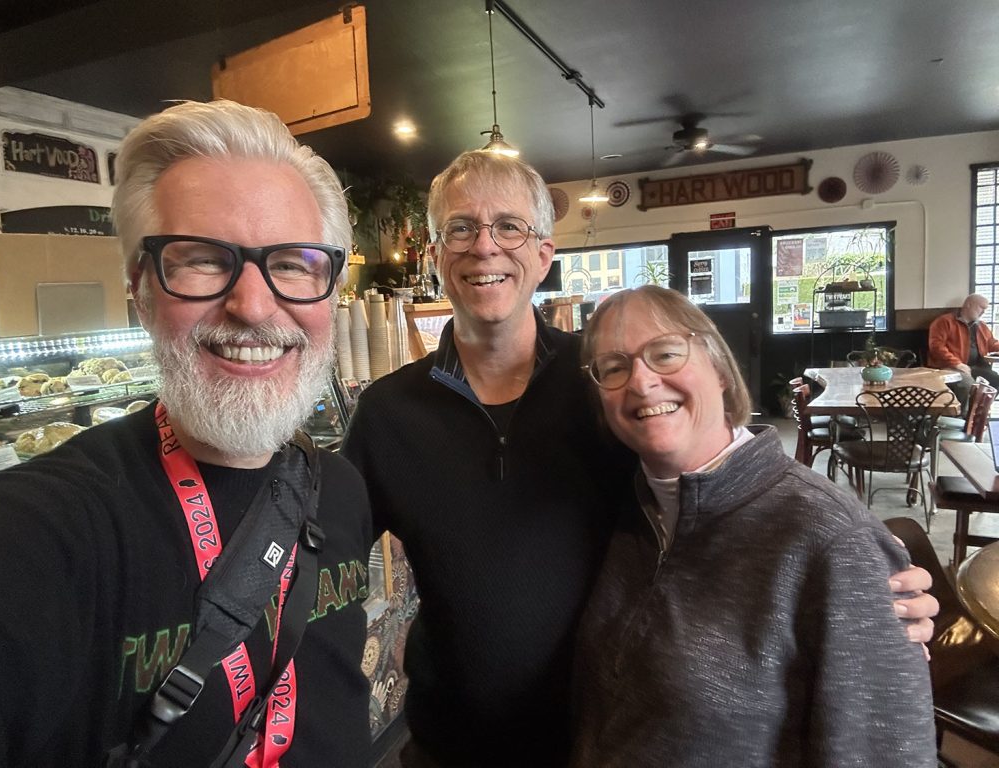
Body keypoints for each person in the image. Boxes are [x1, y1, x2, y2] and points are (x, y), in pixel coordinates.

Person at [341, 150, 939, 767]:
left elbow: (724, 501)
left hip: (599, 733)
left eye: (509, 226)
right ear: (435, 255)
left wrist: (858, 594)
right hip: (454, 745)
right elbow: (326, 571)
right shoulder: (388, 414)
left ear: (544, 255)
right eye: (460, 228)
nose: (484, 246)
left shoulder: (600, 385)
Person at [0, 101, 372, 767]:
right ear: (140, 288)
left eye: (294, 263)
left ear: (329, 291)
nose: (252, 305)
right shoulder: (42, 532)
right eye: (202, 260)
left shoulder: (341, 492)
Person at [570, 285, 936, 766]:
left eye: (665, 353)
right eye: (615, 368)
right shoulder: (627, 509)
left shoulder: (832, 540)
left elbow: (886, 750)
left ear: (719, 368)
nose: (641, 382)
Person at [928, 292, 999, 408]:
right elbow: (936, 347)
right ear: (969, 305)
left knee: (996, 380)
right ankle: (964, 418)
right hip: (949, 368)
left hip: (975, 367)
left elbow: (992, 343)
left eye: (985, 309)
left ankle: (978, 413)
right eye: (981, 307)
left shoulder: (981, 326)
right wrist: (957, 364)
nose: (983, 312)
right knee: (968, 385)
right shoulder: (944, 322)